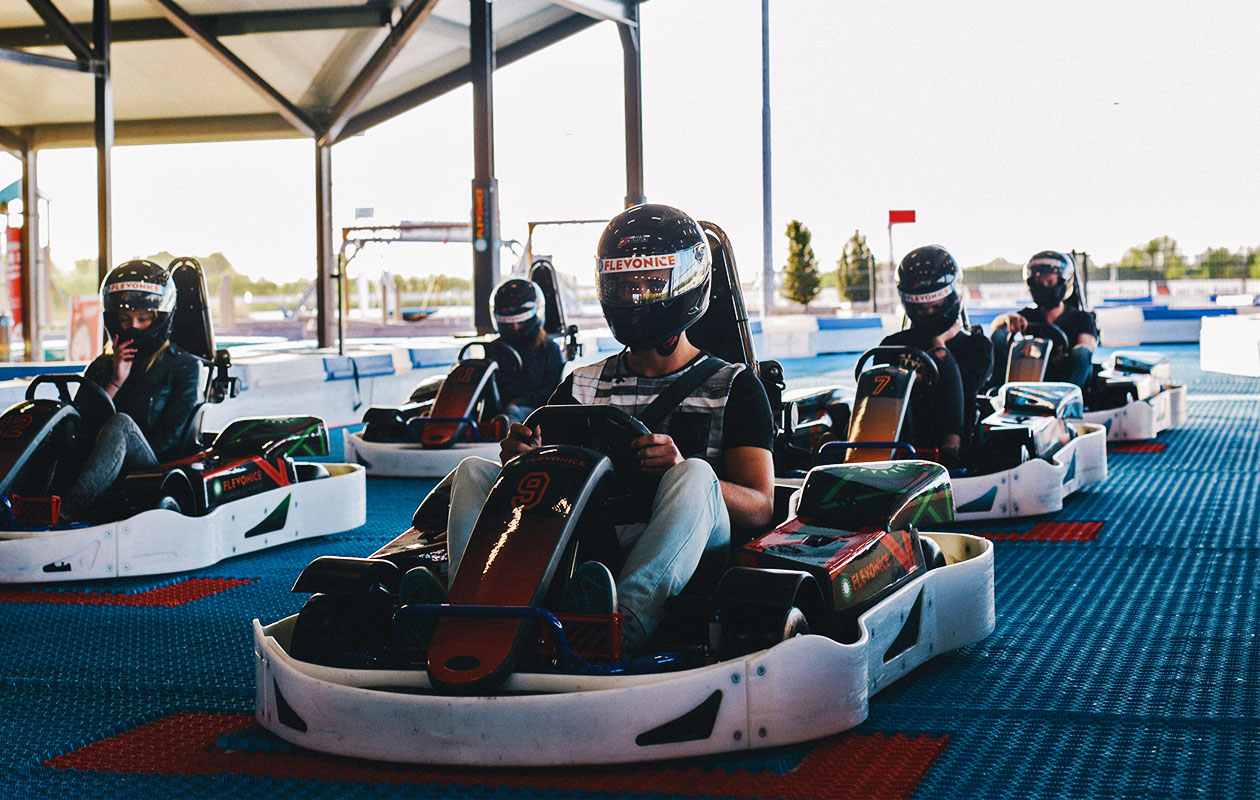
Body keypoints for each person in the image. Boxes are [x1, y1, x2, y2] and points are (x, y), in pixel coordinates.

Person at [442, 204, 776, 654]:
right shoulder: (582, 383)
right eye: (623, 284)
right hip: (592, 537)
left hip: (691, 545)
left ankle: (626, 622)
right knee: (473, 471)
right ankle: (469, 609)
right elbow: (545, 474)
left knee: (694, 474)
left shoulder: (734, 386)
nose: (635, 296)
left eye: (649, 283)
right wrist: (522, 455)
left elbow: (760, 507)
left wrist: (678, 468)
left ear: (685, 284)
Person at [60, 260, 202, 521]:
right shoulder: (103, 366)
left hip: (152, 464)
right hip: (96, 462)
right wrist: (115, 380)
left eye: (143, 319)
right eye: (125, 320)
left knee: (122, 424)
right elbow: (79, 426)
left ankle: (69, 509)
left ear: (159, 318)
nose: (133, 327)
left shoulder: (184, 367)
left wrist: (117, 446)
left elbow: (169, 439)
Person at [880, 245, 993, 458]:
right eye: (922, 309)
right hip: (897, 437)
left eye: (935, 307)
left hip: (952, 444)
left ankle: (951, 448)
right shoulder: (891, 345)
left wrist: (939, 345)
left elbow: (964, 389)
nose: (929, 314)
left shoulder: (977, 346)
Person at [990, 250, 1097, 387]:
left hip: (1064, 381)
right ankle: (999, 390)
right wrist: (1008, 319)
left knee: (1081, 353)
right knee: (999, 334)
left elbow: (1085, 346)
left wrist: (1067, 357)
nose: (1044, 287)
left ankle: (1064, 397)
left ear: (1062, 282)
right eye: (1039, 283)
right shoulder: (1027, 316)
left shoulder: (1081, 318)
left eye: (1049, 282)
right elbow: (997, 329)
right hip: (1030, 375)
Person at [489, 278, 564, 423]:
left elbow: (551, 390)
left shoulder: (549, 348)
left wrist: (519, 401)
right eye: (510, 323)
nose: (515, 327)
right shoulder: (493, 348)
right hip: (498, 408)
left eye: (521, 322)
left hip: (532, 410)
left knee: (512, 413)